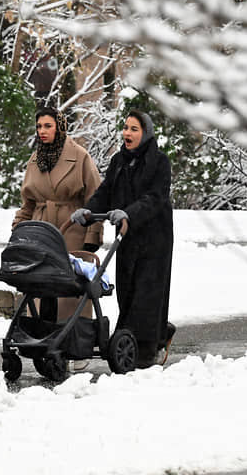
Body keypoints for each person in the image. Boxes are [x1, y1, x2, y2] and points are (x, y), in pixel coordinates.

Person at [71, 110, 176, 369]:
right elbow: (106, 191)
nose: (127, 133)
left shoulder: (159, 162)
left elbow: (155, 198)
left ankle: (146, 350)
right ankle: (148, 336)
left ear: (146, 133)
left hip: (155, 239)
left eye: (134, 129)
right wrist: (89, 211)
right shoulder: (119, 160)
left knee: (148, 295)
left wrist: (129, 212)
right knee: (127, 293)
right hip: (127, 236)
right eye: (126, 128)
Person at [12, 105, 104, 326]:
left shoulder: (80, 156)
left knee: (69, 289)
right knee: (40, 286)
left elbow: (95, 196)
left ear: (60, 127)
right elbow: (28, 203)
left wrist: (93, 235)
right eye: (39, 126)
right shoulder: (35, 159)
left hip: (72, 227)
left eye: (47, 126)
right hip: (42, 230)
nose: (42, 131)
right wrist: (18, 230)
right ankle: (42, 337)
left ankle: (74, 339)